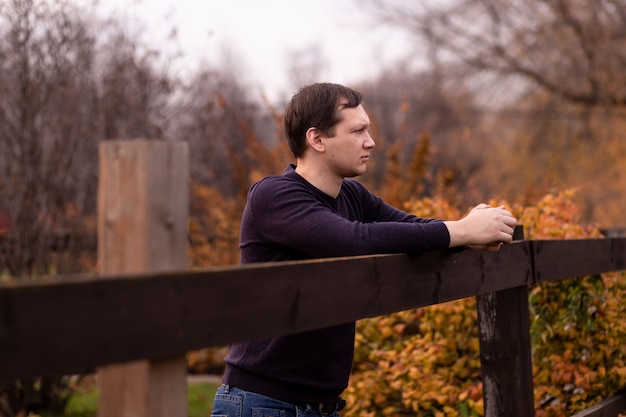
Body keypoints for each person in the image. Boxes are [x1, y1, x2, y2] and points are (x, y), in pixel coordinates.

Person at [210, 82, 517, 417]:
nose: (370, 142)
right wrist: (462, 229)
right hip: (262, 403)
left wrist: (469, 231)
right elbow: (352, 240)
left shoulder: (352, 196)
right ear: (317, 139)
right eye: (358, 131)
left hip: (322, 407)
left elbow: (411, 228)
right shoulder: (274, 196)